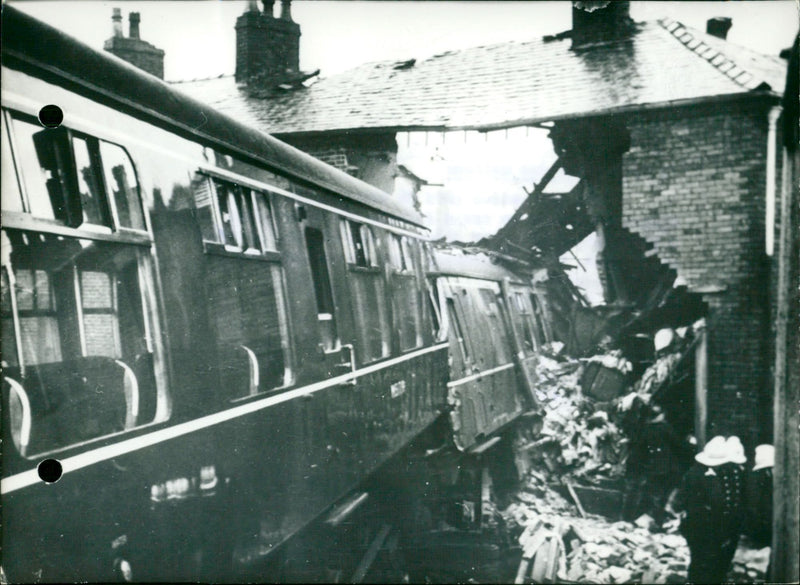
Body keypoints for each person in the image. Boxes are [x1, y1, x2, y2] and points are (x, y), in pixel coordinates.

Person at [674, 435, 746, 584]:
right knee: (702, 563)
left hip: (727, 527)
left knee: (722, 563)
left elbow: (735, 499)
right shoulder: (694, 475)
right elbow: (682, 502)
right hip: (701, 527)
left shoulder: (731, 472)